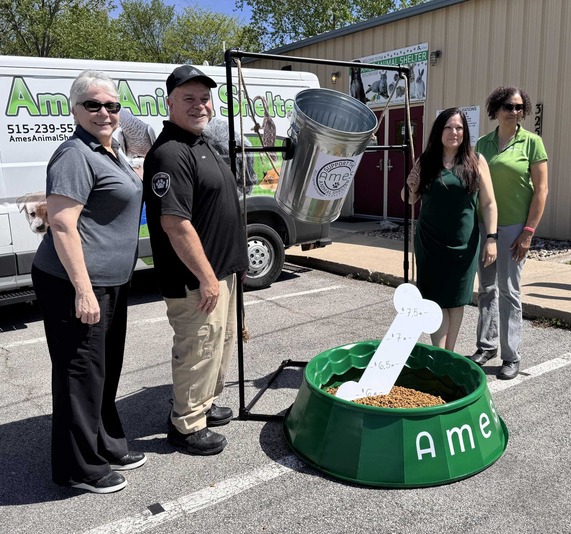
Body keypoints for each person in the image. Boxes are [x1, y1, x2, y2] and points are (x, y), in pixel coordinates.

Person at [31, 71, 146, 494]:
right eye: (93, 104)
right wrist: (82, 289)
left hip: (111, 280)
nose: (104, 112)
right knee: (79, 373)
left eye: (111, 105)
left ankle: (106, 444)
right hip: (73, 282)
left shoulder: (110, 150)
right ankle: (78, 468)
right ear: (75, 109)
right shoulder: (74, 154)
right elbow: (61, 226)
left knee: (104, 369)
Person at [143, 66, 248, 456]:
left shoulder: (200, 143)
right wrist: (206, 277)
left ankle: (203, 404)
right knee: (199, 348)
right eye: (188, 98)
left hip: (220, 272)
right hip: (196, 281)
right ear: (169, 103)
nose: (199, 105)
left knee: (218, 345)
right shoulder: (170, 153)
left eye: (204, 98)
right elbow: (175, 224)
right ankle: (186, 424)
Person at [402, 108, 498, 352]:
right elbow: (409, 198)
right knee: (434, 299)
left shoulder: (477, 161)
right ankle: (440, 353)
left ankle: (449, 355)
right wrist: (410, 185)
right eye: (448, 127)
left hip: (464, 243)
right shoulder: (427, 160)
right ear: (439, 131)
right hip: (430, 242)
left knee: (456, 300)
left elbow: (488, 203)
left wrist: (491, 238)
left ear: (465, 133)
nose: (454, 132)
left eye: (459, 128)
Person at [470, 86, 548, 379]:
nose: (513, 112)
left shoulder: (532, 143)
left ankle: (511, 355)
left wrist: (528, 232)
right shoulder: (483, 144)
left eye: (518, 107)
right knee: (486, 288)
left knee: (509, 291)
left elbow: (541, 190)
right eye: (507, 106)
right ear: (495, 109)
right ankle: (486, 345)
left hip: (515, 225)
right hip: (485, 225)